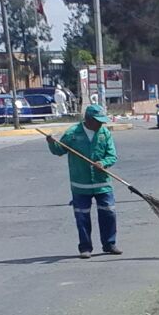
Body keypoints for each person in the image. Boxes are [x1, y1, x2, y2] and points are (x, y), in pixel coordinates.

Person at [46, 104, 121, 258]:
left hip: (102, 183)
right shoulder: (73, 133)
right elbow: (59, 150)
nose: (101, 124)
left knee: (108, 213)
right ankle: (85, 247)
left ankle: (109, 243)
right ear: (88, 119)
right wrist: (51, 143)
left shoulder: (104, 133)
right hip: (81, 184)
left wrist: (103, 163)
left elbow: (112, 155)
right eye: (98, 121)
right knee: (82, 216)